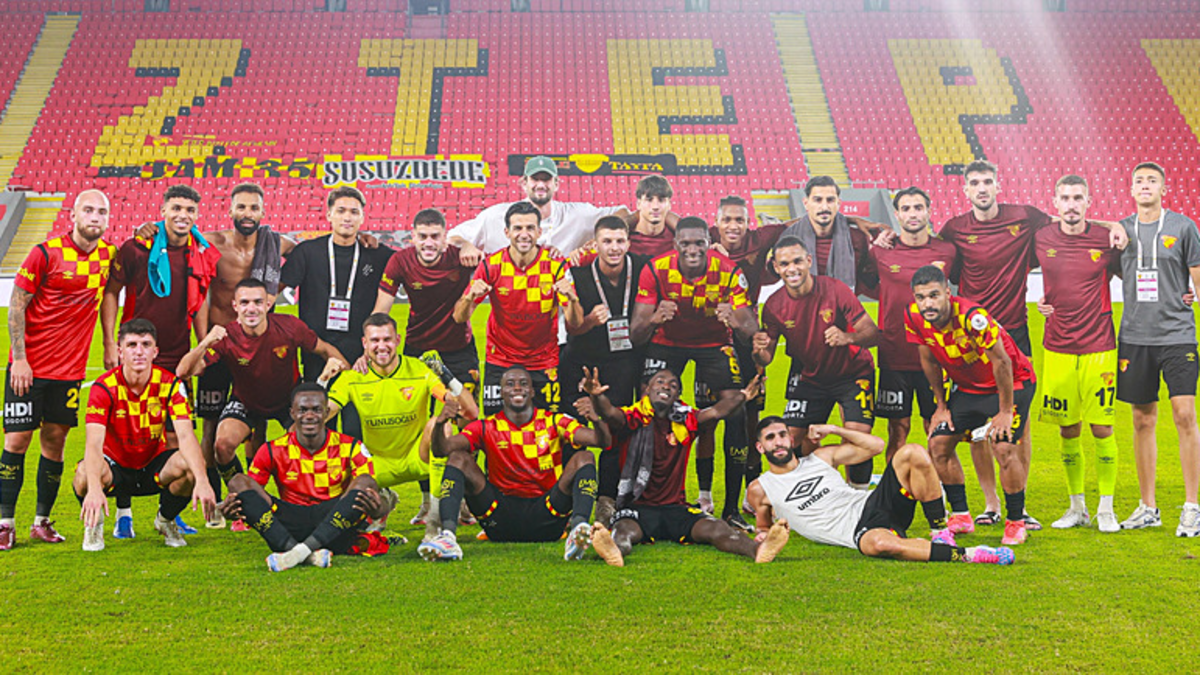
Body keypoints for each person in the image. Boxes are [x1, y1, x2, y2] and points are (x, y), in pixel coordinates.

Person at [938, 160, 1125, 528]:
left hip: (1014, 333)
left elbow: (1070, 220)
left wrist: (1114, 225)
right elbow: (940, 260)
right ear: (965, 189)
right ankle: (990, 504)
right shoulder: (955, 228)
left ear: (997, 185)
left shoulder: (1024, 217)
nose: (981, 188)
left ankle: (1018, 506)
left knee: (1018, 422)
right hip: (971, 339)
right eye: (974, 182)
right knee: (975, 425)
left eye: (987, 181)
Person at [100, 184, 221, 536]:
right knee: (126, 432)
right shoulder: (137, 247)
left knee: (174, 437)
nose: (183, 215)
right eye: (176, 208)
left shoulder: (199, 252)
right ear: (163, 210)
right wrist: (109, 343)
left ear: (197, 215)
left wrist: (201, 347)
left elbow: (199, 301)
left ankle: (169, 513)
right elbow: (111, 292)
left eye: (190, 210)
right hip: (136, 354)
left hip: (177, 358)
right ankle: (124, 514)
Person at [1, 190, 116, 550]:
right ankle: (5, 523)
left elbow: (109, 296)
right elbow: (16, 305)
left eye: (102, 212)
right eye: (88, 210)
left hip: (69, 372)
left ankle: (42, 522)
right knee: (17, 441)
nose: (95, 217)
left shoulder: (109, 256)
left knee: (55, 442)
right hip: (29, 369)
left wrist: (109, 343)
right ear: (73, 215)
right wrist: (20, 359)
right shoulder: (45, 253)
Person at [584, 368, 789, 566]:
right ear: (647, 389)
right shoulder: (633, 417)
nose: (666, 387)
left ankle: (758, 550)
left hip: (676, 509)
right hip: (638, 507)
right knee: (623, 531)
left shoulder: (687, 419)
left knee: (717, 527)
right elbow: (609, 413)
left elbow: (716, 412)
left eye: (673, 385)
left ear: (678, 395)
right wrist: (596, 396)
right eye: (660, 382)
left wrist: (743, 396)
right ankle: (614, 551)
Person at [745, 417, 1013, 565]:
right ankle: (971, 554)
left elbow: (876, 446)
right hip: (859, 530)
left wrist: (835, 429)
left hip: (874, 502)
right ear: (760, 447)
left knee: (912, 452)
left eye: (782, 435)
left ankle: (940, 533)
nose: (778, 442)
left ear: (791, 439)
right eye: (770, 438)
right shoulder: (760, 488)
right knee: (880, 545)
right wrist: (765, 536)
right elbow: (764, 527)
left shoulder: (821, 458)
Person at [631, 217, 759, 523]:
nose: (692, 249)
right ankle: (644, 499)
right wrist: (655, 318)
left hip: (714, 345)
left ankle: (731, 509)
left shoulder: (729, 271)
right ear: (675, 244)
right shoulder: (655, 269)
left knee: (737, 412)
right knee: (647, 411)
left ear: (709, 243)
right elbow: (636, 334)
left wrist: (736, 321)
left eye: (699, 243)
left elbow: (750, 332)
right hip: (667, 343)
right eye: (685, 243)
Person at [176, 279, 347, 500]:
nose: (251, 308)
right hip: (246, 401)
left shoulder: (289, 327)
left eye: (258, 302)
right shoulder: (226, 336)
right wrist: (205, 342)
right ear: (235, 306)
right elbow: (184, 372)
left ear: (268, 304)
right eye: (244, 302)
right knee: (222, 445)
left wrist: (350, 377)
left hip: (287, 400)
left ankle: (298, 502)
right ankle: (242, 496)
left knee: (302, 443)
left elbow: (325, 349)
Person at [418, 366, 610, 562]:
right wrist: (440, 423)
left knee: (585, 457)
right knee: (457, 458)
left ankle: (578, 531)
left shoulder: (555, 421)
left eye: (523, 384)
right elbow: (441, 450)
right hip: (498, 517)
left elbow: (602, 441)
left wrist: (595, 419)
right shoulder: (487, 426)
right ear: (501, 393)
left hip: (548, 515)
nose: (517, 388)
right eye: (510, 384)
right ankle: (448, 537)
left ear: (532, 392)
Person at [906, 265, 1037, 546]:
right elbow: (928, 360)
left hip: (1014, 382)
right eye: (921, 297)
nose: (927, 304)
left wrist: (1005, 411)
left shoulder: (972, 317)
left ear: (947, 293)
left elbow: (1003, 362)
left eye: (934, 295)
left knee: (1003, 445)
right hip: (969, 388)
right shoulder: (914, 316)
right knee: (938, 444)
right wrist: (941, 406)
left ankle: (1016, 521)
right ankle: (961, 516)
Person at [191, 182, 297, 528]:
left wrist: (278, 289)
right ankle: (216, 500)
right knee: (210, 427)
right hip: (220, 348)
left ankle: (252, 498)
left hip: (255, 347)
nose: (247, 214)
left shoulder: (276, 244)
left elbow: (306, 253)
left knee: (257, 425)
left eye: (253, 208)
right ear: (231, 210)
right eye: (241, 207)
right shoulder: (212, 243)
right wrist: (204, 341)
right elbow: (176, 241)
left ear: (263, 212)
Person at [320, 313, 477, 530]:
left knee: (440, 426)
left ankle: (434, 524)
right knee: (343, 502)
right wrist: (323, 381)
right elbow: (319, 417)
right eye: (375, 340)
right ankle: (382, 503)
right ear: (365, 344)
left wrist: (445, 374)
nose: (381, 346)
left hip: (418, 458)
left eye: (387, 339)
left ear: (398, 340)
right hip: (377, 464)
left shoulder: (419, 370)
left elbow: (469, 412)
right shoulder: (352, 378)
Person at [73, 319, 217, 551]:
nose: (139, 351)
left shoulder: (170, 385)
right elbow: (93, 444)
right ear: (120, 351)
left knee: (190, 466)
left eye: (145, 345)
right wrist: (94, 489)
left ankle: (165, 520)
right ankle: (94, 524)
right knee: (82, 475)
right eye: (132, 345)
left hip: (153, 466)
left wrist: (202, 480)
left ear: (155, 351)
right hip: (115, 468)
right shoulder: (103, 388)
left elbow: (186, 437)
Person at [374, 208, 479, 525]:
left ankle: (464, 499)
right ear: (413, 236)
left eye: (435, 236)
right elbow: (382, 309)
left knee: (466, 421)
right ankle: (425, 501)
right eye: (423, 236)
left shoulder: (461, 257)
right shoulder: (400, 261)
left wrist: (469, 245)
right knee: (420, 425)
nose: (429, 242)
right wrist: (376, 345)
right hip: (418, 349)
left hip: (459, 350)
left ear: (446, 237)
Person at [1114, 162, 1200, 536]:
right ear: (1131, 189)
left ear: (1164, 189)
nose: (1145, 185)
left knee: (1185, 414)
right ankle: (1148, 507)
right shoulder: (1121, 230)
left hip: (1177, 335)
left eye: (1152, 180)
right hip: (1135, 337)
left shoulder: (1183, 227)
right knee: (1142, 419)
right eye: (1139, 181)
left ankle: (1193, 507)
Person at [752, 236, 880, 488]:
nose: (792, 269)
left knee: (858, 435)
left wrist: (847, 337)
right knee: (791, 438)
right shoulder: (774, 306)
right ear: (776, 267)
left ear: (808, 261)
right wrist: (758, 352)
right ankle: (813, 488)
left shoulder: (835, 289)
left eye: (797, 261)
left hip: (853, 373)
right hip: (811, 377)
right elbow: (767, 357)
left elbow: (873, 333)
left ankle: (858, 495)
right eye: (784, 264)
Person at [1033, 175, 1121, 533]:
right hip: (1057, 346)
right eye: (1065, 198)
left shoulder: (1106, 240)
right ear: (1055, 202)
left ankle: (1106, 508)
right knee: (1068, 428)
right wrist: (1041, 301)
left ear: (1088, 202)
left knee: (1102, 426)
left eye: (1078, 198)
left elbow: (1135, 273)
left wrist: (1114, 225)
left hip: (1100, 345)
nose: (1071, 204)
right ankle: (1077, 507)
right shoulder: (1041, 237)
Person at [219, 383, 387, 571]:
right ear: (292, 413)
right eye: (302, 410)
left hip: (334, 518)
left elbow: (374, 497)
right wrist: (237, 507)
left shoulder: (351, 446)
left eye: (316, 410)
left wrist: (378, 509)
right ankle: (305, 553)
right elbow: (252, 498)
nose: (309, 416)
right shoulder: (272, 449)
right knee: (238, 482)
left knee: (365, 481)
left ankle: (294, 553)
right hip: (288, 522)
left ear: (326, 412)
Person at [695, 195, 787, 524]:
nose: (733, 226)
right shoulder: (702, 241)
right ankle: (704, 495)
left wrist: (860, 223)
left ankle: (751, 493)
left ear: (749, 223)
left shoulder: (761, 239)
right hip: (710, 341)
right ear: (716, 223)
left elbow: (797, 224)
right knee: (707, 419)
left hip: (748, 340)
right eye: (727, 220)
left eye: (740, 220)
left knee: (750, 418)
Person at [559, 216, 650, 523]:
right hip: (579, 363)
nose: (614, 248)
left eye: (620, 241)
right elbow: (571, 328)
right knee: (573, 430)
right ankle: (569, 498)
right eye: (607, 241)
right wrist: (589, 322)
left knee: (616, 430)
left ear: (628, 242)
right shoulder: (578, 274)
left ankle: (607, 499)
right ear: (594, 244)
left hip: (623, 363)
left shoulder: (643, 267)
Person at [868, 187, 958, 459]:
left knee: (937, 429)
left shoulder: (947, 251)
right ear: (896, 215)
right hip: (894, 354)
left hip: (937, 354)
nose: (913, 214)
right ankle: (894, 484)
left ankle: (937, 482)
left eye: (918, 207)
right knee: (898, 428)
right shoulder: (880, 252)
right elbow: (865, 283)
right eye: (906, 209)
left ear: (928, 211)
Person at [454, 201, 568, 416]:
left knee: (547, 427)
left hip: (543, 362)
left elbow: (575, 322)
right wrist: (469, 297)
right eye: (517, 228)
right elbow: (460, 317)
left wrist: (571, 299)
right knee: (495, 426)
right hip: (500, 360)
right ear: (507, 232)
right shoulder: (491, 265)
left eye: (530, 228)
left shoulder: (555, 265)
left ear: (539, 232)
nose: (524, 234)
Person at [279, 186, 393, 387]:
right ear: (329, 215)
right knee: (319, 404)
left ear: (362, 218)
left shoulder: (378, 254)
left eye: (354, 212)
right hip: (316, 348)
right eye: (341, 211)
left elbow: (412, 263)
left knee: (360, 405)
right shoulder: (307, 252)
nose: (347, 217)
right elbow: (273, 291)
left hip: (362, 351)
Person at [448, 155, 629, 264]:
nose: (541, 185)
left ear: (556, 184)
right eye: (535, 179)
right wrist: (466, 245)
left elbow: (622, 212)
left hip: (557, 305)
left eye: (546, 179)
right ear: (524, 183)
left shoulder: (577, 214)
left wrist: (601, 237)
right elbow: (452, 237)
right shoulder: (496, 215)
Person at [778, 176, 882, 295]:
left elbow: (868, 280)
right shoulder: (789, 238)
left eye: (830, 200)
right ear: (806, 203)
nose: (824, 207)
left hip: (842, 305)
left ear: (838, 203)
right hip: (801, 305)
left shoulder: (857, 238)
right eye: (818, 200)